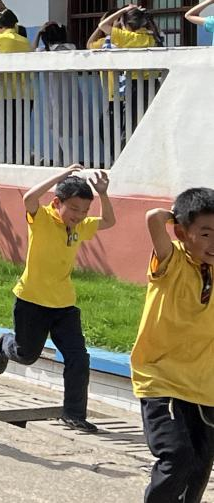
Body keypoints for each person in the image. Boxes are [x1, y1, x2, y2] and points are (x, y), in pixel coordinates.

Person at [0, 164, 115, 433]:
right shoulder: (42, 218)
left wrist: (103, 194)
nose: (79, 216)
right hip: (31, 302)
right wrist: (63, 175)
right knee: (26, 355)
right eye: (74, 209)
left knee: (78, 358)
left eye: (84, 211)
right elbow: (29, 198)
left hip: (64, 305)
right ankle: (3, 343)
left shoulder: (80, 227)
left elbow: (108, 221)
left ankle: (73, 414)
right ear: (57, 203)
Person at [131, 188, 214, 503]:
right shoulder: (172, 260)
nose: (213, 242)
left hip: (204, 387)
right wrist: (180, 217)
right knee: (178, 457)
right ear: (181, 232)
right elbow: (154, 218)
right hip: (162, 380)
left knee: (199, 469)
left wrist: (197, 227)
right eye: (205, 234)